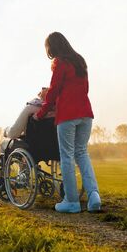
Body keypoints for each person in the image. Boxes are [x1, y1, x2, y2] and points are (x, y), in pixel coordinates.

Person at [34, 32, 101, 213]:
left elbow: (54, 92)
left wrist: (40, 114)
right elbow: (85, 88)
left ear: (52, 47)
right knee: (82, 153)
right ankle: (94, 195)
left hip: (68, 116)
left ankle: (71, 201)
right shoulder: (79, 60)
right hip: (86, 113)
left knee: (67, 157)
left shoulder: (60, 63)